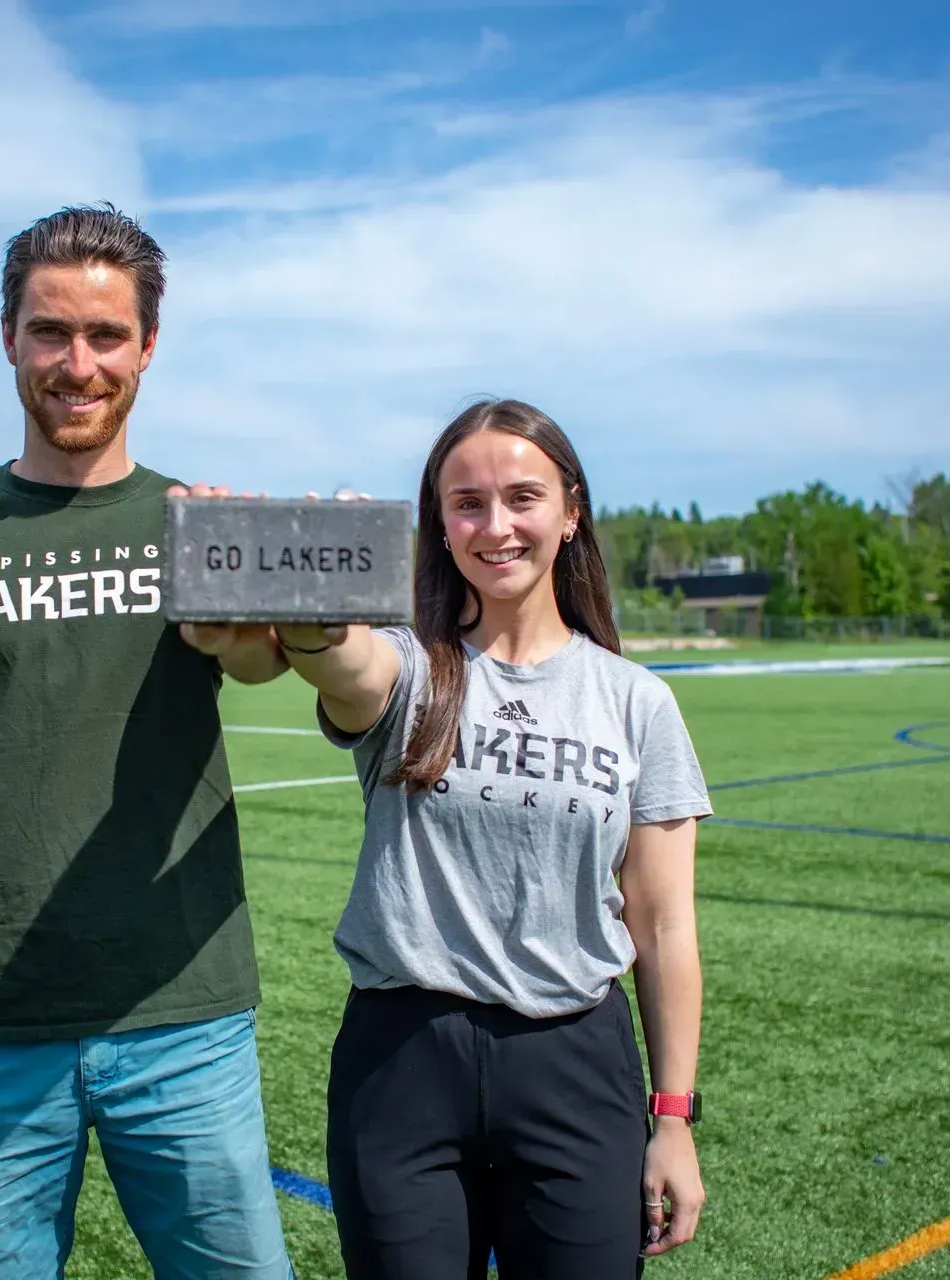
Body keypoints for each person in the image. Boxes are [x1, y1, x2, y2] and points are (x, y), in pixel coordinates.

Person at [0, 205, 295, 1280]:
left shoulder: (199, 523)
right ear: (8, 336)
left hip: (182, 1017)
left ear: (148, 345)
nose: (78, 363)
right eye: (51, 331)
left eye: (106, 336)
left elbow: (263, 664)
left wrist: (245, 608)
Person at [275, 400, 712, 1279]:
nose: (496, 525)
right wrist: (317, 613)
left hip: (575, 1064)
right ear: (439, 523)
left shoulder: (637, 702)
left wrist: (672, 1118)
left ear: (571, 510)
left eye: (523, 497)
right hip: (400, 1062)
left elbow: (663, 929)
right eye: (467, 502)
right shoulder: (411, 669)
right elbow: (347, 666)